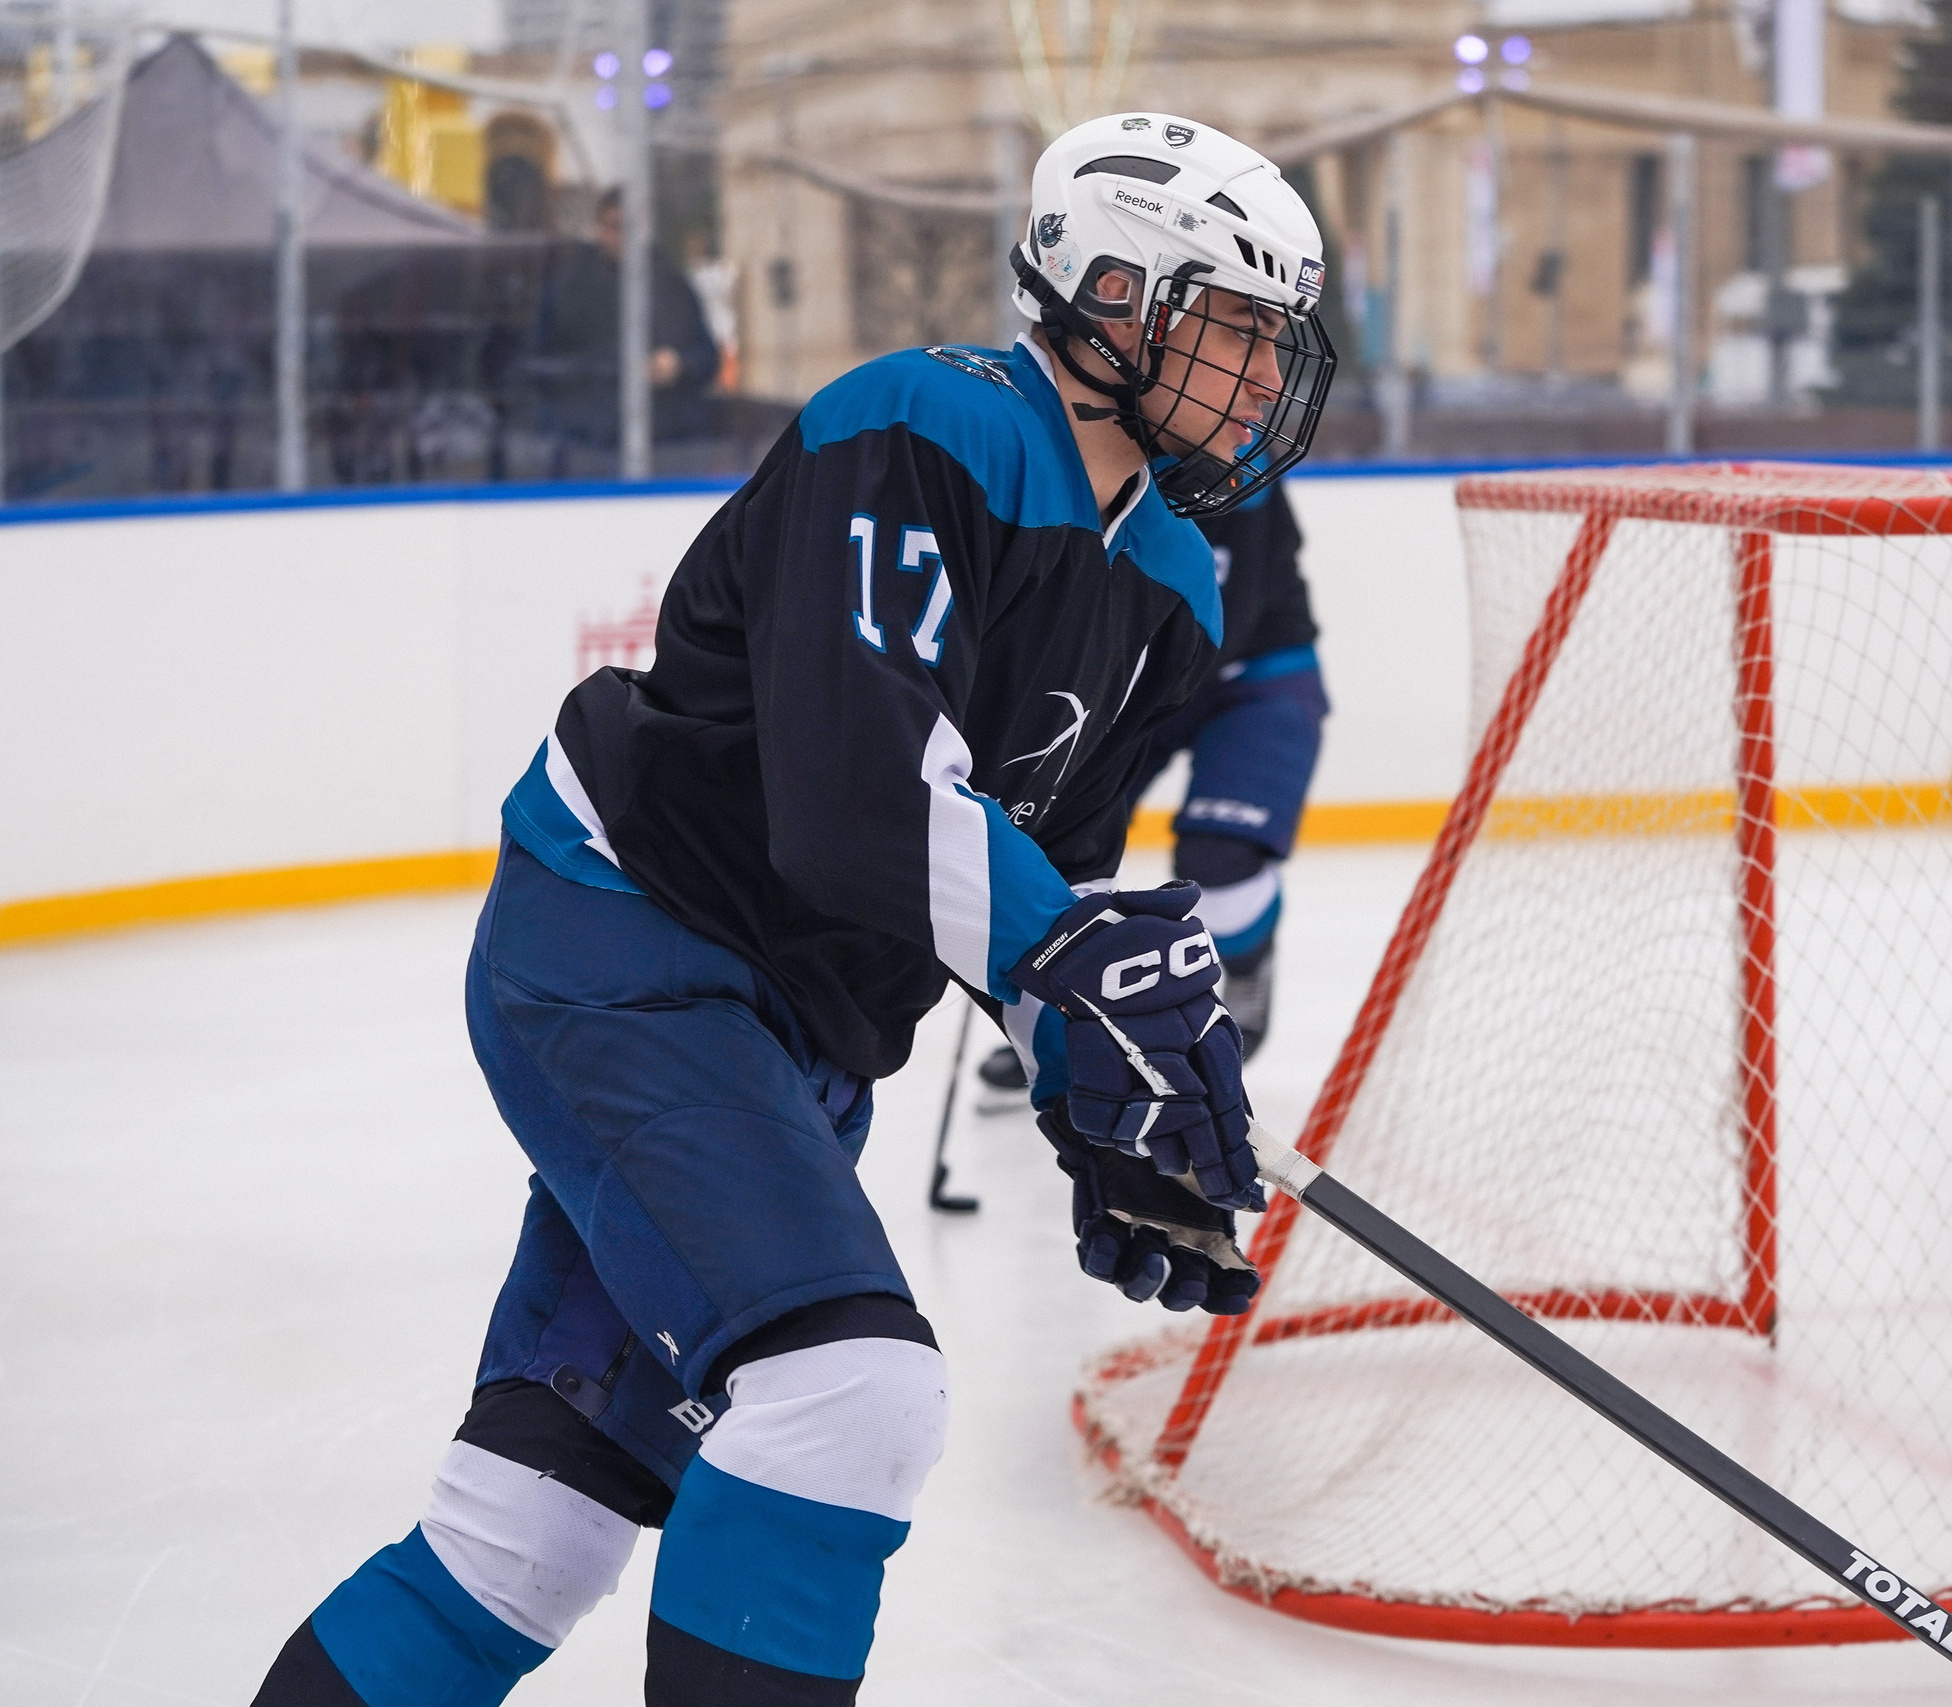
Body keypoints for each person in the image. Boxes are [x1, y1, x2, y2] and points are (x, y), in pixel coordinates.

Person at [250, 110, 1335, 1707]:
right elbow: (861, 794)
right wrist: (1075, 968)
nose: (1263, 369)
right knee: (851, 1391)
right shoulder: (923, 424)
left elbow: (1035, 878)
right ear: (1111, 294)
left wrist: (1113, 1116)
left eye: (1274, 335)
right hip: (630, 944)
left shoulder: (1173, 579)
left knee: (526, 1540)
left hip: (794, 1038)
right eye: (1233, 322)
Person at [977, 474, 1324, 1104]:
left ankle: (1247, 960)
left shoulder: (1229, 457)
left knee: (1220, 860)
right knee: (1050, 849)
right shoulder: (1092, 464)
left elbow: (1232, 602)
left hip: (1252, 676)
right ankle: (1065, 1018)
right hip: (1142, 672)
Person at [522, 187, 722, 471]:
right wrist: (614, 371)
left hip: (669, 445)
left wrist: (678, 365)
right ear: (599, 228)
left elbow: (707, 358)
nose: (622, 236)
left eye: (631, 227)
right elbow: (540, 365)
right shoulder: (570, 289)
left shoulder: (672, 284)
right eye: (614, 226)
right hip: (589, 445)